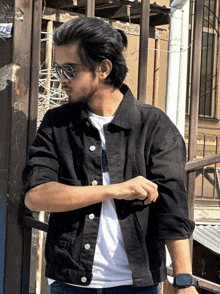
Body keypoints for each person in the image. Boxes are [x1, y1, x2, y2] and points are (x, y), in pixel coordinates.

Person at [23, 17, 197, 294]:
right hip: (71, 284)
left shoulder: (153, 125)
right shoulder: (57, 123)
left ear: (103, 68)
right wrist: (115, 189)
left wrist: (184, 280)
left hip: (137, 284)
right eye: (58, 69)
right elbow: (36, 196)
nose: (61, 79)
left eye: (70, 69)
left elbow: (172, 208)